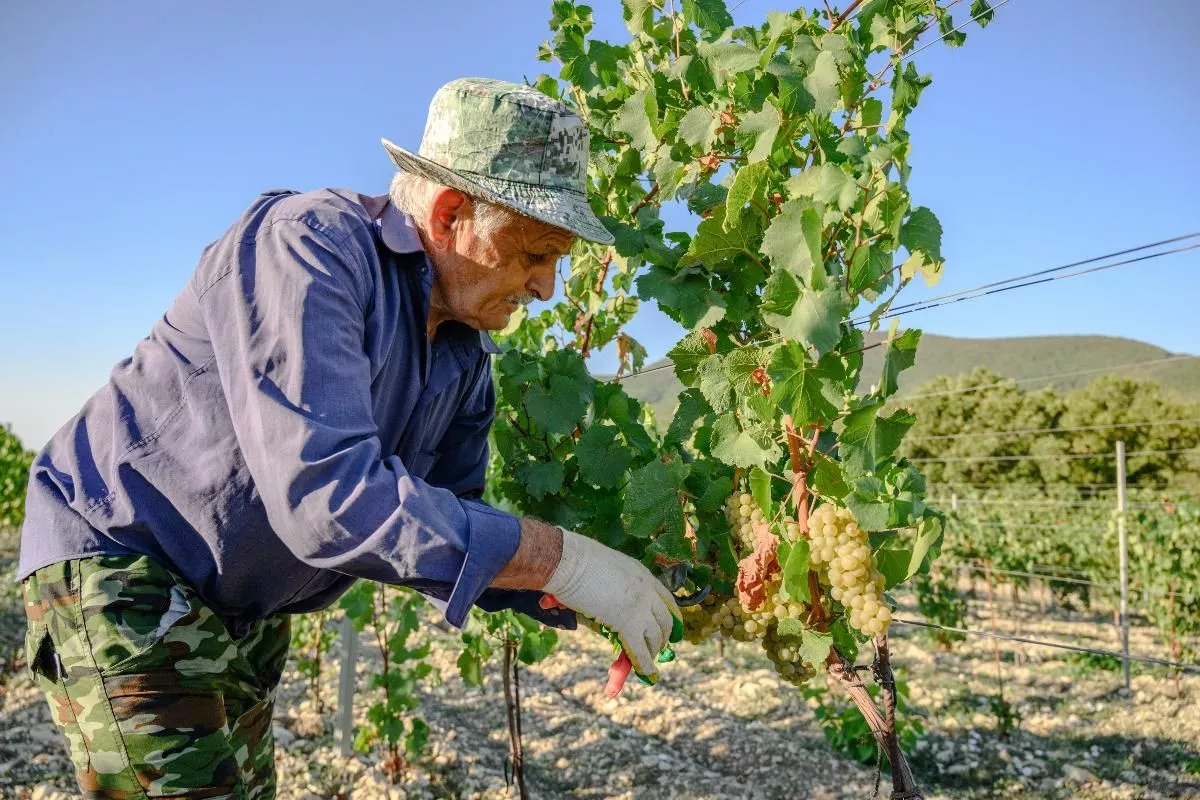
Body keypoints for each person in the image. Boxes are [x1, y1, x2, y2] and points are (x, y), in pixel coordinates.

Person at [19, 77, 681, 798]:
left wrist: (563, 590)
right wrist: (560, 560)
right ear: (453, 210)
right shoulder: (309, 247)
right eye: (535, 255)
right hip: (126, 562)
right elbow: (327, 497)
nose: (548, 287)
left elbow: (448, 517)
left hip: (245, 603)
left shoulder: (465, 358)